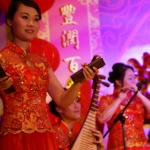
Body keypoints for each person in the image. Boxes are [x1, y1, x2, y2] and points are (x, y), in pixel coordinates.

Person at [0, 0, 98, 150]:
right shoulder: (2, 58)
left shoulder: (42, 61)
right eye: (25, 17)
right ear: (10, 20)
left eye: (35, 19)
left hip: (45, 135)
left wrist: (81, 80)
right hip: (16, 136)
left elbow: (62, 100)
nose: (31, 23)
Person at [97, 62, 150, 150]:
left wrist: (139, 95)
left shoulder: (138, 100)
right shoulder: (107, 99)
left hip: (142, 147)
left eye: (134, 78)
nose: (134, 81)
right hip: (118, 147)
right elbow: (102, 119)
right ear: (118, 82)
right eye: (130, 78)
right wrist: (119, 99)